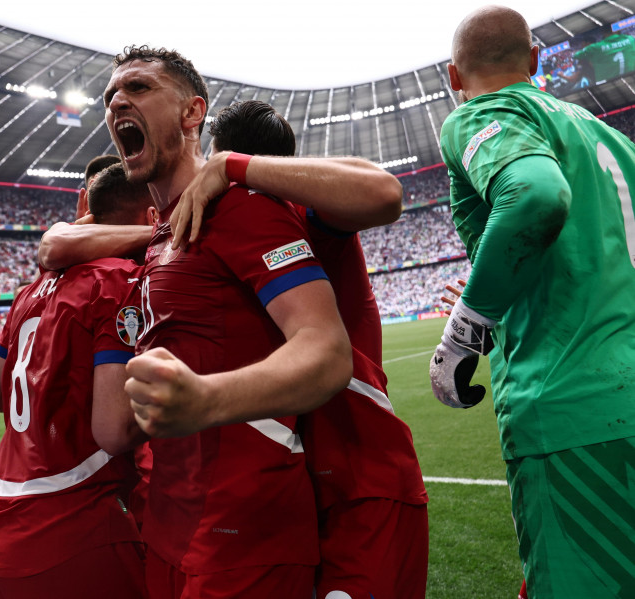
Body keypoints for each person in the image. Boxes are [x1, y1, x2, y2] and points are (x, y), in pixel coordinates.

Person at [104, 45, 352, 599]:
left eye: (139, 88)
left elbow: (326, 349)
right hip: (168, 531)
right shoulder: (162, 237)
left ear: (193, 113)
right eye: (111, 95)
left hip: (246, 541)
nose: (118, 99)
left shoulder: (242, 207)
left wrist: (207, 399)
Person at [175, 99, 428, 599]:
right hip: (295, 484)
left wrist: (231, 166)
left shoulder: (290, 211)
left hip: (360, 476)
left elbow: (383, 190)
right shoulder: (241, 224)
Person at [432, 6, 635, 597]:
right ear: (536, 60)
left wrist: (468, 325)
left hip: (577, 409)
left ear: (453, 78)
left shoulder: (483, 113)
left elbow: (535, 196)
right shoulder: (612, 139)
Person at [0, 163, 155, 598]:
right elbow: (112, 430)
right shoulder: (120, 281)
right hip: (71, 527)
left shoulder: (33, 289)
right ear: (152, 217)